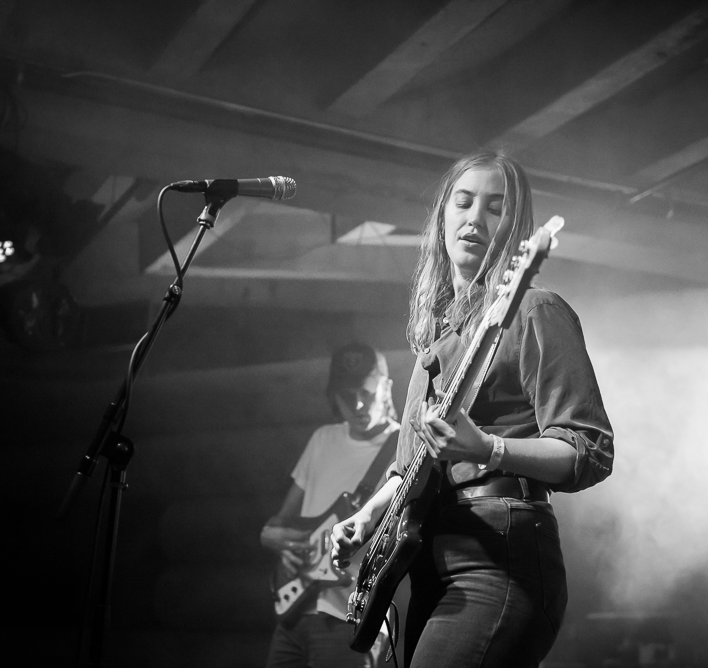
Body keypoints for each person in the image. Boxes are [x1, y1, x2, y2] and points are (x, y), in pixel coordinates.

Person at [330, 151, 615, 668]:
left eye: (494, 207)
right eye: (463, 203)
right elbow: (410, 467)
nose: (474, 218)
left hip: (500, 559)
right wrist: (367, 516)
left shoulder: (535, 310)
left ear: (515, 227)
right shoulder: (433, 344)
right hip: (430, 566)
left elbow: (589, 450)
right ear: (442, 217)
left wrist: (488, 448)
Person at [261, 342, 400, 668]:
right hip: (295, 611)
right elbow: (278, 523)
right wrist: (275, 539)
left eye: (366, 392)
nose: (357, 404)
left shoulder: (401, 448)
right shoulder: (323, 439)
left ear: (386, 387)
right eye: (346, 395)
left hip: (352, 616)